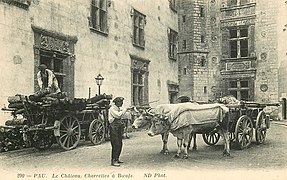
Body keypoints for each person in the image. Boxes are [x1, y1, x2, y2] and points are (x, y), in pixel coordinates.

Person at [108, 97, 131, 167]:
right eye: (121, 102)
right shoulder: (112, 109)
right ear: (116, 102)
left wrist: (129, 109)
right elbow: (118, 116)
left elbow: (122, 114)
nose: (122, 103)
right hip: (113, 129)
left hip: (118, 129)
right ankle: (113, 161)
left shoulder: (118, 109)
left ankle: (117, 158)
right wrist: (125, 109)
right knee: (116, 144)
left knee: (120, 144)